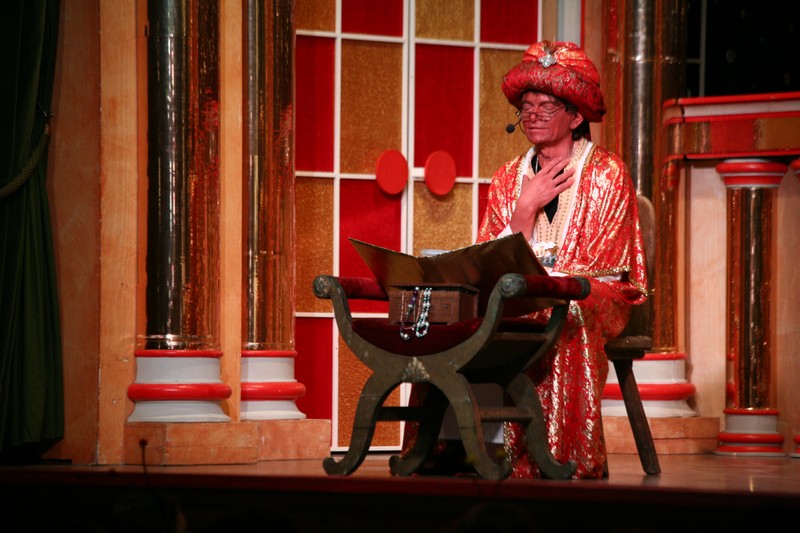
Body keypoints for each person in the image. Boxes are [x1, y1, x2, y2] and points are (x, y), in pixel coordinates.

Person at [477, 41, 648, 479]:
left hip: (595, 293)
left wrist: (547, 282)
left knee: (567, 308)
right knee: (461, 309)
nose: (533, 114)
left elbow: (605, 263)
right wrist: (523, 211)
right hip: (524, 290)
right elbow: (488, 261)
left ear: (575, 117)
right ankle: (467, 451)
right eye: (526, 106)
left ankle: (562, 455)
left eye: (546, 106)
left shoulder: (608, 173)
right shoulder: (507, 179)